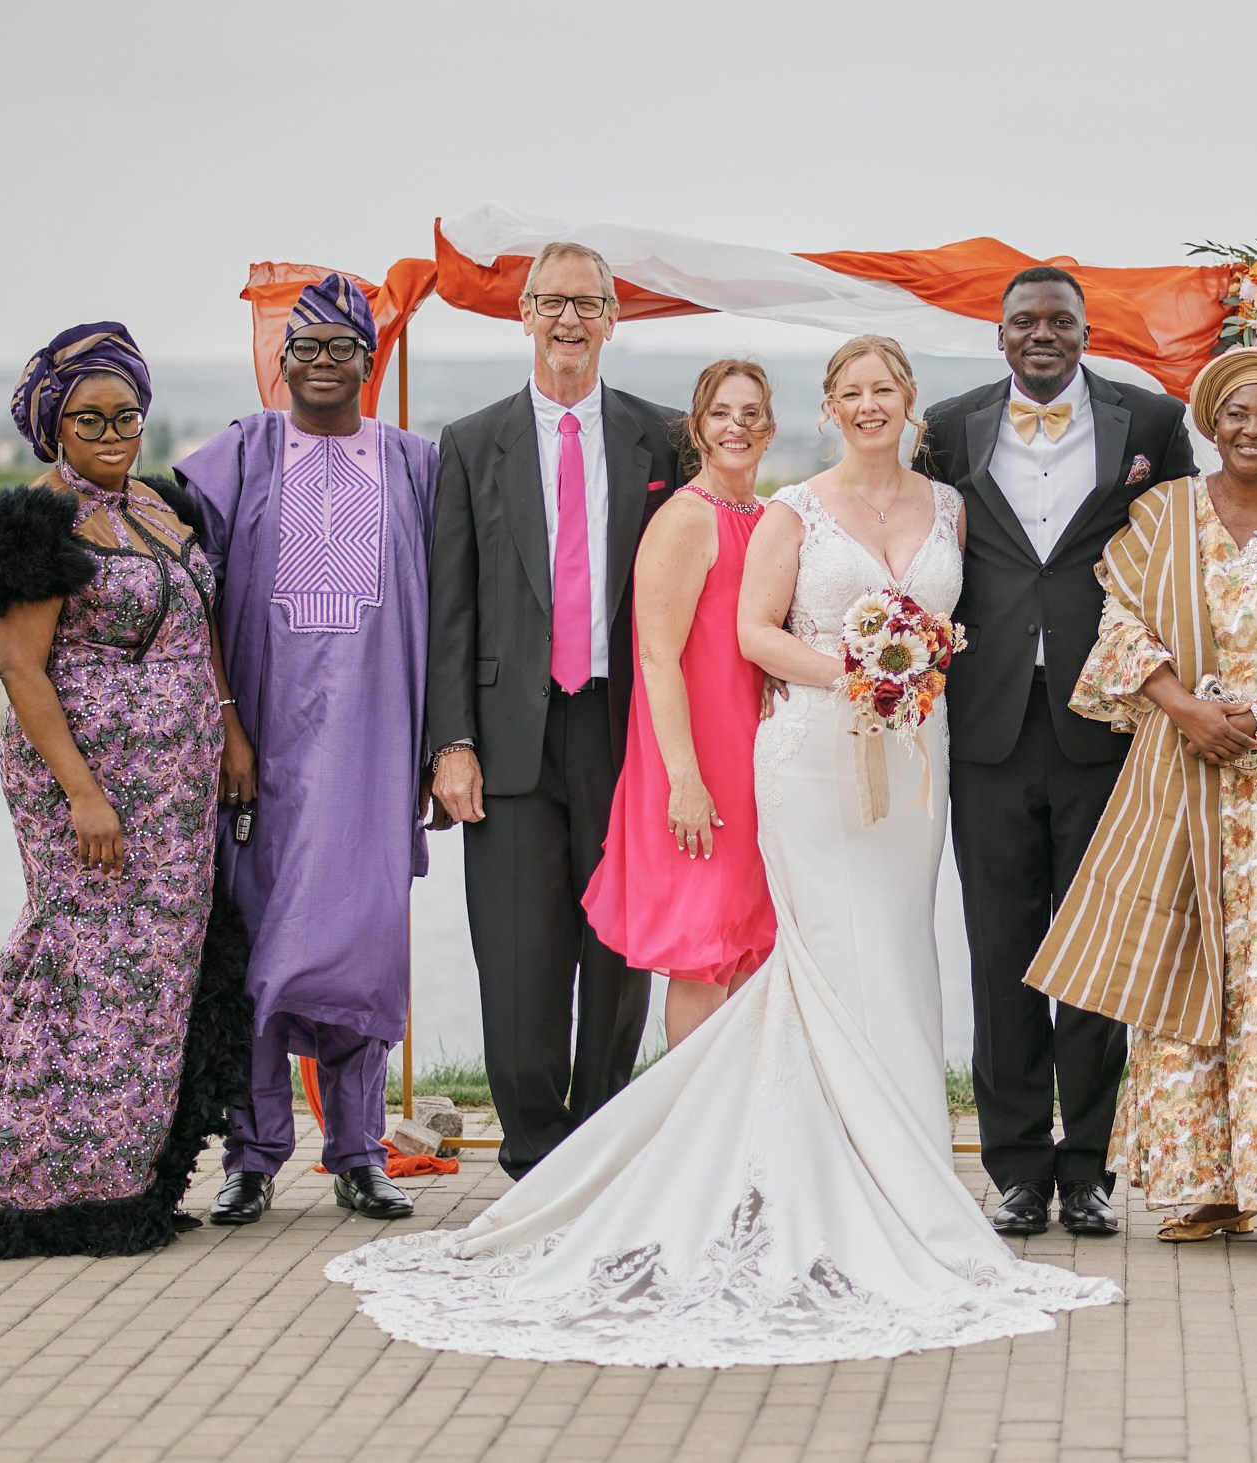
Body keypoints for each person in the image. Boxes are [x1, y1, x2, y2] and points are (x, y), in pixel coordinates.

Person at [327, 336, 1119, 1367]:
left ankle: (892, 1157)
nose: (866, 403)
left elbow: (961, 616)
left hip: (910, 762)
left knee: (893, 956)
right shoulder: (772, 511)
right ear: (823, 408)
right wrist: (850, 676)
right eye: (849, 391)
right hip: (798, 752)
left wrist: (927, 655)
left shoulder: (947, 507)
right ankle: (729, 1162)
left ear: (906, 401)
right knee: (796, 956)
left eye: (885, 388)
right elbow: (727, 637)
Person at [0, 324, 250, 1259]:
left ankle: (128, 1183)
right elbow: (21, 671)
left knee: (156, 978)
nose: (113, 430)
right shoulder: (35, 522)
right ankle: (18, 1174)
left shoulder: (165, 511)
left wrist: (229, 727)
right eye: (89, 416)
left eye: (128, 412)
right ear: (52, 425)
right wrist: (85, 794)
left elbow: (200, 632)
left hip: (178, 791)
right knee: (79, 966)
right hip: (84, 787)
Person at [1026, 347, 1257, 1253]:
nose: (1252, 430)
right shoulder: (1162, 515)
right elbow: (1121, 621)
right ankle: (1206, 1186)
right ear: (1209, 423)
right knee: (1188, 966)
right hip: (1183, 771)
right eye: (1236, 414)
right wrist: (1186, 709)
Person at [919, 266, 1197, 1238]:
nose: (1041, 334)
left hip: (1106, 719)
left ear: (1086, 332)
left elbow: (1182, 553)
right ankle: (1016, 1170)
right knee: (1000, 953)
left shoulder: (1151, 424)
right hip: (984, 720)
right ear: (999, 337)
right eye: (1023, 322)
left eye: (1059, 321)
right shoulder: (948, 426)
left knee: (1095, 949)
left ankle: (1088, 1167)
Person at [176, 274, 439, 1226]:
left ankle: (358, 1152)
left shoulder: (414, 464)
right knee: (258, 948)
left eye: (342, 350)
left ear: (371, 364)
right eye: (307, 349)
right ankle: (252, 1156)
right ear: (280, 363)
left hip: (374, 751)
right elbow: (182, 588)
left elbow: (448, 614)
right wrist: (226, 721)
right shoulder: (242, 457)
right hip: (265, 753)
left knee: (363, 951)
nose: (323, 365)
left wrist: (439, 746)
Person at [425, 242, 685, 1179]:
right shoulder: (468, 442)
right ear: (523, 314)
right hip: (506, 740)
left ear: (614, 318)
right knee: (519, 958)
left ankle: (604, 1150)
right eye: (552, 302)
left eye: (588, 303)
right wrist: (450, 742)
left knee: (618, 956)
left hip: (626, 733)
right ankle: (537, 1156)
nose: (569, 320)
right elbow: (449, 609)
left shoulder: (664, 438)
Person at [583, 360, 778, 1046]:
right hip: (698, 766)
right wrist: (686, 782)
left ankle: (739, 1123)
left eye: (751, 413)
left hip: (756, 766)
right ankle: (694, 1131)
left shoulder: (764, 519)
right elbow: (657, 658)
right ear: (696, 429)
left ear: (771, 428)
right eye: (722, 412)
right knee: (703, 955)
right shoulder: (684, 521)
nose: (737, 426)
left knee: (749, 949)